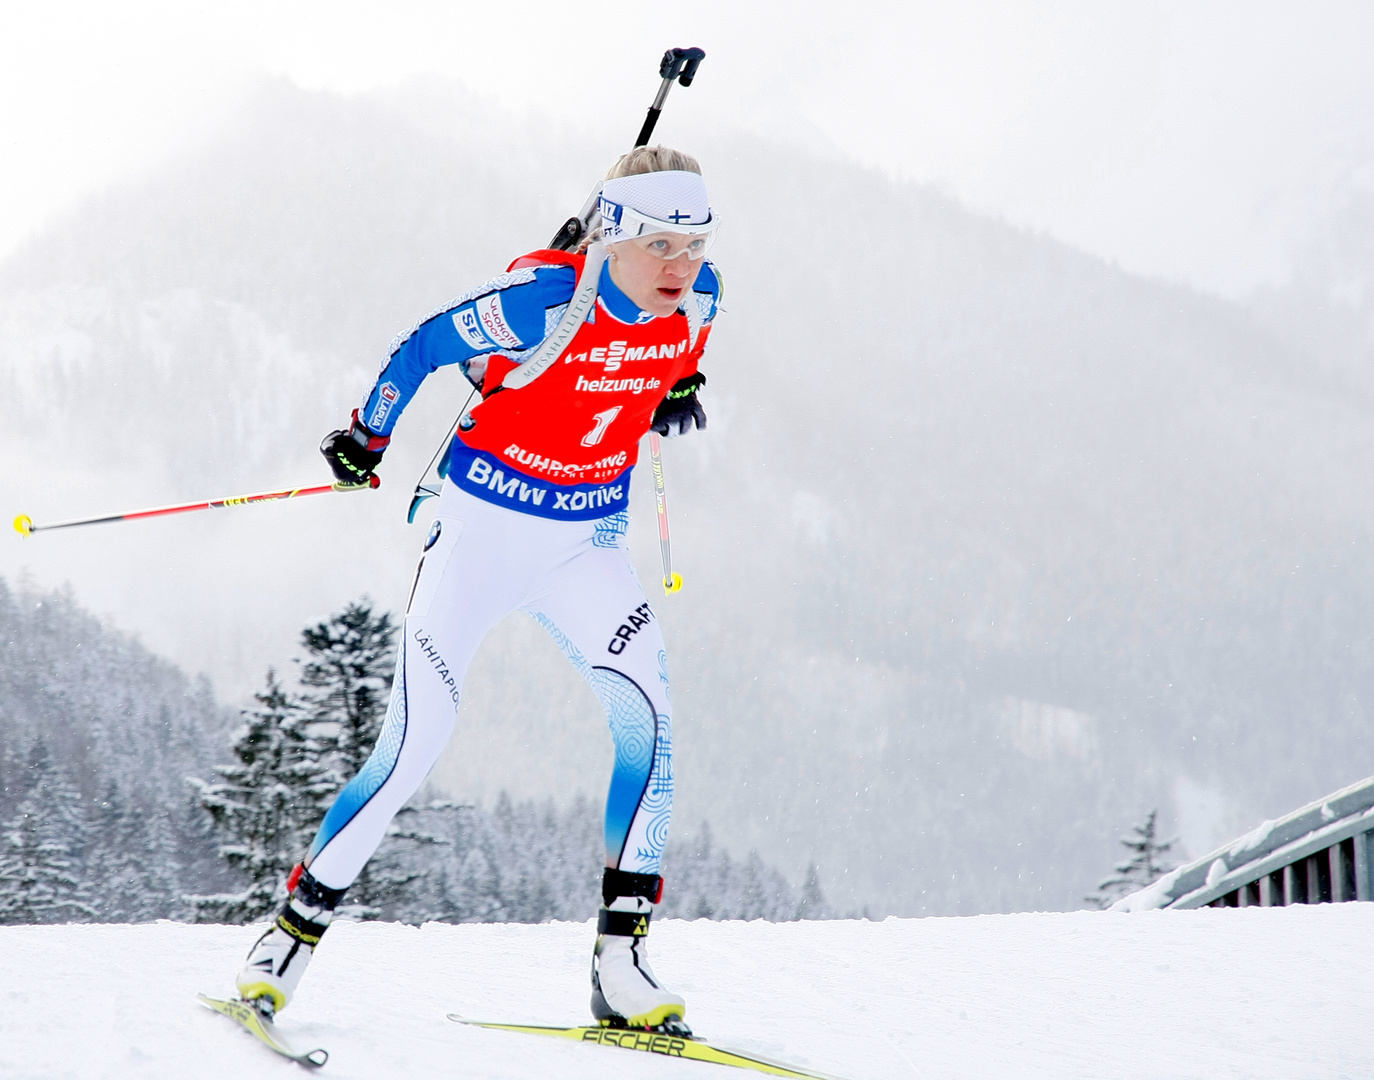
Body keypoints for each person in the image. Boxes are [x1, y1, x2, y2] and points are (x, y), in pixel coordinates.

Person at [232, 146, 721, 1036]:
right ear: (613, 235)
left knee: (649, 728)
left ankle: (624, 963)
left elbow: (679, 349)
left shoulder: (704, 298)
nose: (681, 268)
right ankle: (286, 946)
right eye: (660, 245)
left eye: (696, 244)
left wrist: (678, 384)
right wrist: (365, 437)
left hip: (586, 543)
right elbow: (423, 346)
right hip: (480, 533)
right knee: (416, 743)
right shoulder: (545, 303)